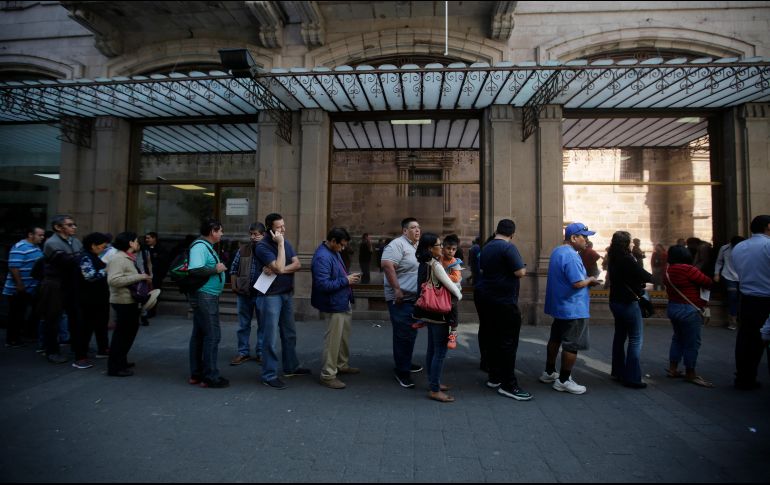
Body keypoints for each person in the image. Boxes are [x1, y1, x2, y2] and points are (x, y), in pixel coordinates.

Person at [541, 222, 601, 395]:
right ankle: (564, 380)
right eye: (584, 237)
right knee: (571, 345)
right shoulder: (571, 255)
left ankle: (549, 372)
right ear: (574, 238)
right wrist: (590, 279)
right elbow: (577, 283)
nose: (587, 241)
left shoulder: (557, 251)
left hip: (561, 306)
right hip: (573, 307)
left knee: (555, 339)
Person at [253, 213, 311, 390]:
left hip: (285, 293)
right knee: (269, 338)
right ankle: (269, 374)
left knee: (289, 333)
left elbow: (297, 264)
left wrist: (280, 270)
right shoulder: (262, 246)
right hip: (269, 296)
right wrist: (279, 246)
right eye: (279, 227)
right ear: (270, 229)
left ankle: (291, 367)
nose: (283, 230)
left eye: (283, 226)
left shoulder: (286, 242)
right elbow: (277, 266)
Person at [475, 219, 530, 401]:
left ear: (496, 230)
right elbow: (519, 272)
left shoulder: (487, 246)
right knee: (508, 343)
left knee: (492, 339)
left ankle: (494, 377)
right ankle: (509, 385)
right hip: (504, 302)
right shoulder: (508, 247)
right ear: (512, 234)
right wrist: (522, 268)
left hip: (486, 299)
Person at [412, 233, 463, 402]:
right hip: (440, 313)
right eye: (439, 245)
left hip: (428, 311)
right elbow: (451, 287)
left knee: (432, 349)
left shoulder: (423, 263)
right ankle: (434, 389)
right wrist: (459, 294)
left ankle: (433, 381)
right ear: (429, 248)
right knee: (440, 352)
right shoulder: (435, 264)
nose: (441, 248)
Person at [311, 227, 361, 390]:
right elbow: (322, 284)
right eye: (341, 245)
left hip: (341, 300)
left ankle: (341, 364)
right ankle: (328, 375)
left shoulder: (332, 251)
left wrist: (346, 279)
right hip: (333, 303)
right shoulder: (322, 257)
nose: (343, 248)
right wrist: (346, 280)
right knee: (333, 341)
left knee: (342, 337)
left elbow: (336, 276)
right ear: (332, 241)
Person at [186, 219, 230, 388]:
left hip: (207, 295)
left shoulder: (205, 246)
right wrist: (216, 269)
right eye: (220, 231)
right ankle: (210, 376)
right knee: (212, 335)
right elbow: (195, 269)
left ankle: (197, 373)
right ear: (213, 231)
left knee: (199, 334)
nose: (221, 234)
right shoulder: (199, 246)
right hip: (205, 296)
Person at [607, 231, 653, 389]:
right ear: (626, 243)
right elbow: (645, 275)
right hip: (628, 302)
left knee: (619, 336)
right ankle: (632, 377)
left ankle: (618, 370)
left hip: (615, 301)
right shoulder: (627, 259)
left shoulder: (612, 257)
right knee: (635, 338)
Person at [382, 217, 423, 389]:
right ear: (405, 231)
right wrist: (397, 289)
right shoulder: (397, 245)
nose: (417, 230)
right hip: (400, 299)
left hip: (413, 299)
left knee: (410, 333)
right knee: (402, 334)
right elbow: (387, 265)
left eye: (419, 227)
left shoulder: (415, 246)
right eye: (413, 227)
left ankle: (405, 363)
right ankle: (401, 371)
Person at [36, 215, 84, 364]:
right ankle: (52, 350)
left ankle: (78, 348)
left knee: (76, 317)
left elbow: (80, 258)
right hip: (55, 284)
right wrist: (87, 257)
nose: (74, 227)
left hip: (71, 283)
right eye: (70, 225)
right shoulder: (52, 243)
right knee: (53, 318)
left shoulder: (75, 241)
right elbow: (68, 261)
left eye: (74, 224)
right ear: (58, 227)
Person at [663, 245, 713, 387]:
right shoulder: (688, 269)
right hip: (689, 309)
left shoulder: (668, 270)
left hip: (673, 307)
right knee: (692, 342)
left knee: (677, 338)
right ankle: (690, 372)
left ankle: (673, 368)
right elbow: (707, 282)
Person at [106, 232, 153, 377]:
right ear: (130, 243)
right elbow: (113, 280)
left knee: (128, 333)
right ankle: (115, 367)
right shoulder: (119, 258)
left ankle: (121, 361)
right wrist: (140, 276)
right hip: (122, 301)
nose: (138, 243)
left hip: (130, 301)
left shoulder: (127, 258)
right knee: (122, 335)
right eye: (135, 241)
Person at [731, 215, 770, 390]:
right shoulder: (767, 245)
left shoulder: (739, 247)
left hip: (746, 297)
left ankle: (744, 376)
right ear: (768, 227)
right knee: (763, 338)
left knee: (746, 339)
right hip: (765, 297)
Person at [228, 222, 266, 366]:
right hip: (244, 293)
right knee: (243, 325)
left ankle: (261, 352)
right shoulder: (243, 249)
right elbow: (233, 269)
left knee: (263, 325)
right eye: (251, 234)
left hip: (262, 294)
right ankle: (243, 352)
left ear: (263, 235)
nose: (253, 237)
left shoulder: (268, 250)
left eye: (256, 234)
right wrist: (234, 287)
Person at [3, 227, 45, 348]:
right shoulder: (20, 247)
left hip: (31, 287)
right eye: (40, 235)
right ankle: (12, 340)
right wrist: (19, 284)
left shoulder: (36, 246)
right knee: (16, 315)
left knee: (32, 312)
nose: (42, 237)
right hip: (18, 289)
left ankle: (28, 334)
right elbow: (13, 267)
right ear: (30, 234)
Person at [75, 232, 112, 368]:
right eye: (102, 246)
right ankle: (80, 357)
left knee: (101, 324)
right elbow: (90, 276)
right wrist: (107, 270)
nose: (104, 249)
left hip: (99, 298)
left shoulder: (94, 256)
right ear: (93, 245)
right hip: (88, 299)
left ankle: (103, 349)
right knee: (85, 328)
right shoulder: (85, 257)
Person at [714, 236, 745, 330]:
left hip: (743, 276)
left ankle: (742, 320)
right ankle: (733, 321)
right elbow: (719, 262)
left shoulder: (746, 247)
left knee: (743, 298)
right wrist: (716, 274)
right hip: (728, 275)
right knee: (733, 297)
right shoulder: (725, 248)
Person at [439, 234, 463, 349]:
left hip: (452, 292)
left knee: (453, 309)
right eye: (448, 248)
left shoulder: (455, 263)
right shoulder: (439, 259)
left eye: (453, 249)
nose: (450, 251)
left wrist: (442, 275)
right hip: (440, 290)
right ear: (443, 248)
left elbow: (456, 278)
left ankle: (453, 332)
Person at [143, 232, 168, 324]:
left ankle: (151, 312)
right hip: (146, 275)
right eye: (146, 238)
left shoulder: (161, 249)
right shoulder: (145, 248)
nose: (147, 240)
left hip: (156, 275)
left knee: (154, 293)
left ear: (154, 239)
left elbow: (164, 263)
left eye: (149, 238)